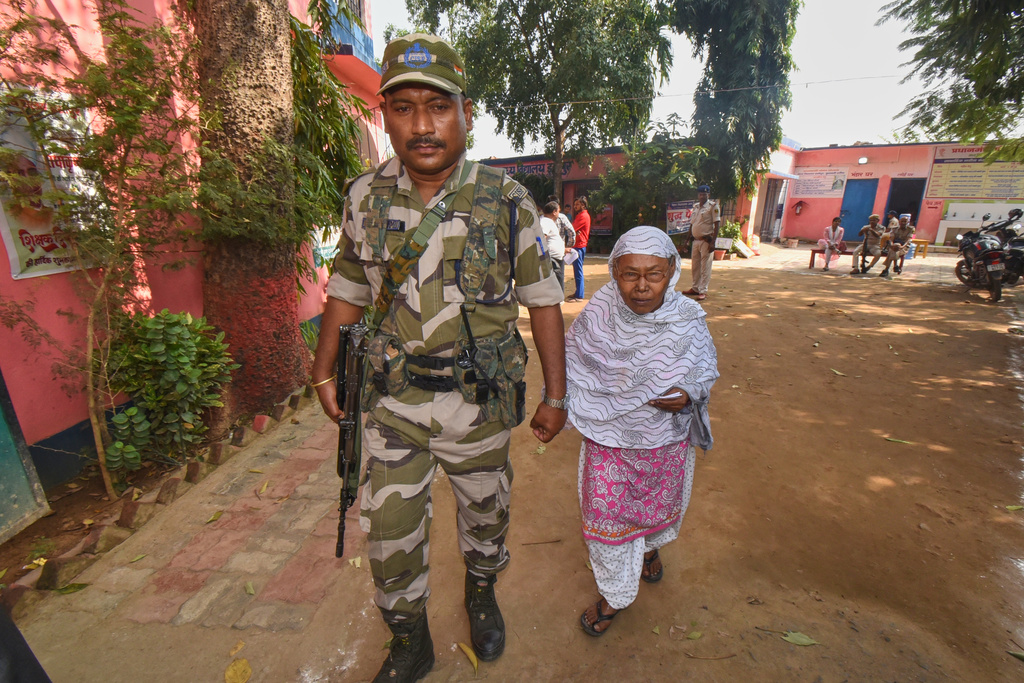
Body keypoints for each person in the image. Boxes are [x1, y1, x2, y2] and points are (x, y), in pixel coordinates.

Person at [310, 34, 568, 682]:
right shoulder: (363, 196)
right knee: (390, 532)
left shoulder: (507, 201)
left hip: (477, 404)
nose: (421, 123)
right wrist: (321, 368)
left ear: (466, 112)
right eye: (402, 107)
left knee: (487, 517)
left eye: (437, 105)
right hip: (393, 403)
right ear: (385, 114)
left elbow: (542, 301)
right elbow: (344, 286)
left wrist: (555, 393)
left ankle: (480, 593)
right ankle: (410, 641)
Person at [565, 226, 719, 636]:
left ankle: (649, 548)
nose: (641, 287)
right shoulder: (598, 312)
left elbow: (705, 370)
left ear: (672, 270)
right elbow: (571, 362)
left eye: (654, 274)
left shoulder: (688, 318)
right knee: (606, 519)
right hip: (609, 439)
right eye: (630, 274)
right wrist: (556, 405)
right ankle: (615, 595)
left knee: (653, 512)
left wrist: (688, 393)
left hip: (664, 443)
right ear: (614, 270)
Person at [684, 184, 720, 301]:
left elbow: (717, 224)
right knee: (695, 266)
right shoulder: (695, 207)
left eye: (704, 194)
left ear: (708, 195)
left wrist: (713, 242)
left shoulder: (713, 206)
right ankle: (695, 288)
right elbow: (692, 224)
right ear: (698, 195)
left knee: (705, 267)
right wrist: (687, 240)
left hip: (706, 240)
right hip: (696, 241)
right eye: (700, 194)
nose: (702, 196)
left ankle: (703, 290)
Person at [541, 201, 567, 291]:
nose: (559, 214)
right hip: (552, 259)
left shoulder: (548, 221)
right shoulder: (546, 221)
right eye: (559, 211)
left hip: (554, 258)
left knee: (558, 282)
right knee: (555, 285)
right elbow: (541, 238)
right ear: (554, 212)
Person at [568, 196, 591, 301]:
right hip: (578, 245)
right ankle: (578, 292)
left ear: (583, 205)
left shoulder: (583, 216)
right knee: (577, 270)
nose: (575, 206)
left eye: (577, 204)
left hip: (579, 246)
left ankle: (579, 295)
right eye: (575, 204)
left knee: (578, 271)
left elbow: (572, 228)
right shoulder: (581, 215)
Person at [548, 194, 575, 269]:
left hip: (546, 252)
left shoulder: (542, 218)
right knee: (559, 276)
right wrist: (568, 246)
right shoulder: (562, 217)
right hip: (559, 251)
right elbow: (571, 232)